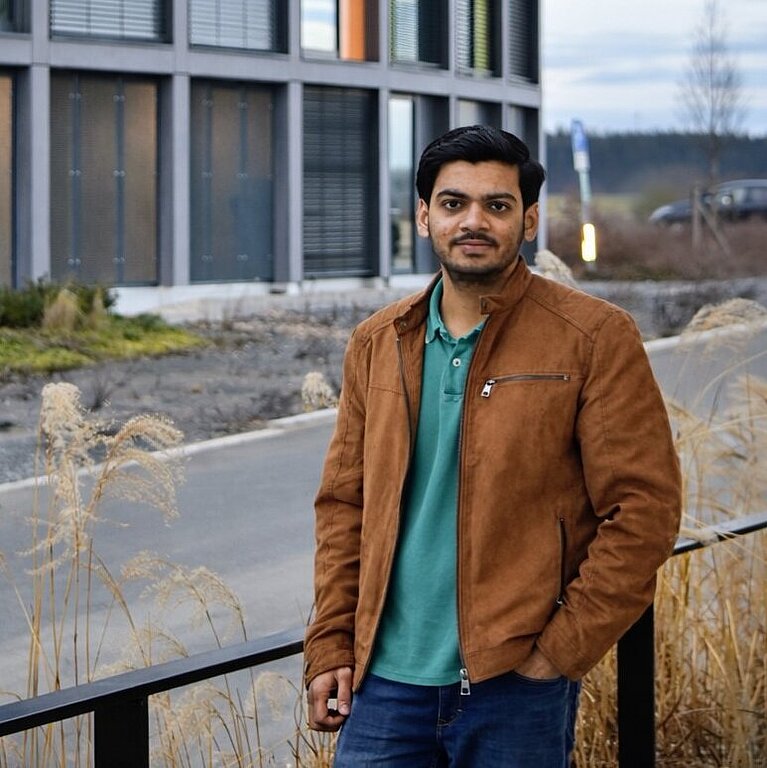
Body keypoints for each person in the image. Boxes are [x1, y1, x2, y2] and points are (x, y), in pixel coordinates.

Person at [303, 125, 682, 766]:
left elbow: (644, 511)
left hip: (515, 685)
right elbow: (345, 506)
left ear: (528, 220)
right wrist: (332, 644)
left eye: (497, 205)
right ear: (424, 217)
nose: (473, 221)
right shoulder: (378, 341)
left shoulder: (592, 338)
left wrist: (559, 651)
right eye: (453, 203)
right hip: (384, 687)